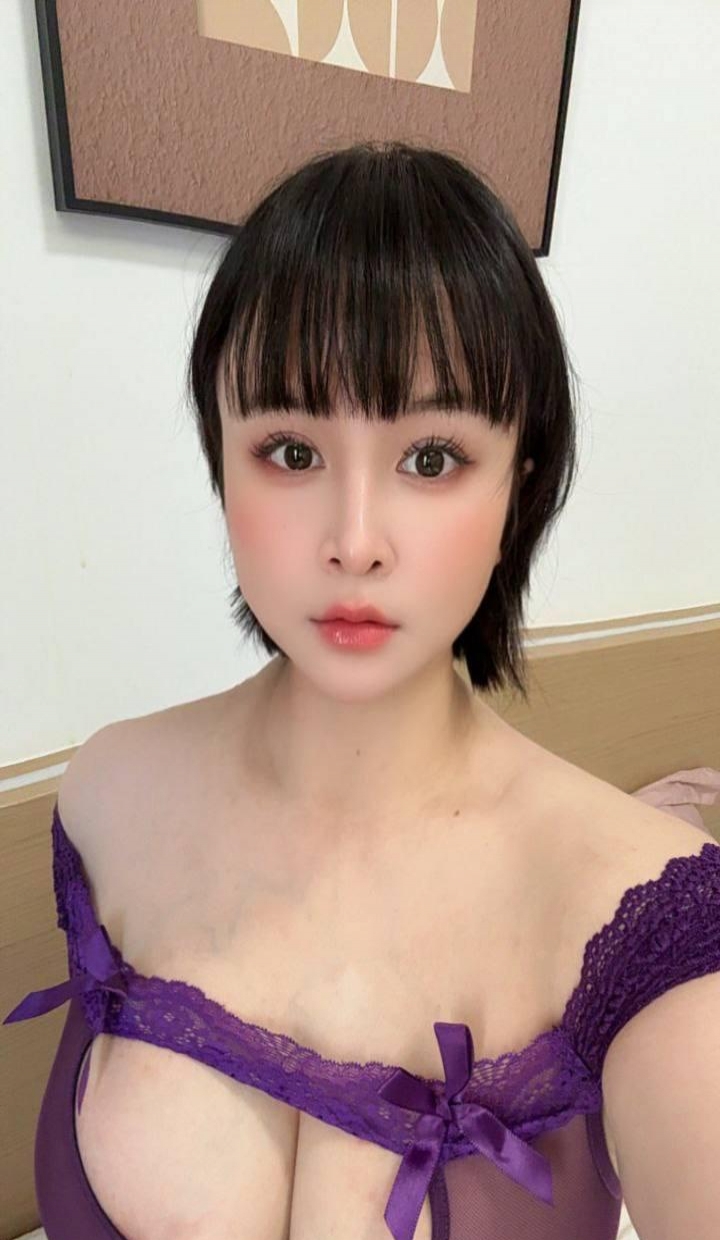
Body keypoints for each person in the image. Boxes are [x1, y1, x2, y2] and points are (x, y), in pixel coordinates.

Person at [5, 139, 718, 1240]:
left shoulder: (643, 916)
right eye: (290, 451)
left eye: (431, 458)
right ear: (220, 457)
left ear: (520, 483)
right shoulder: (107, 792)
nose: (353, 540)